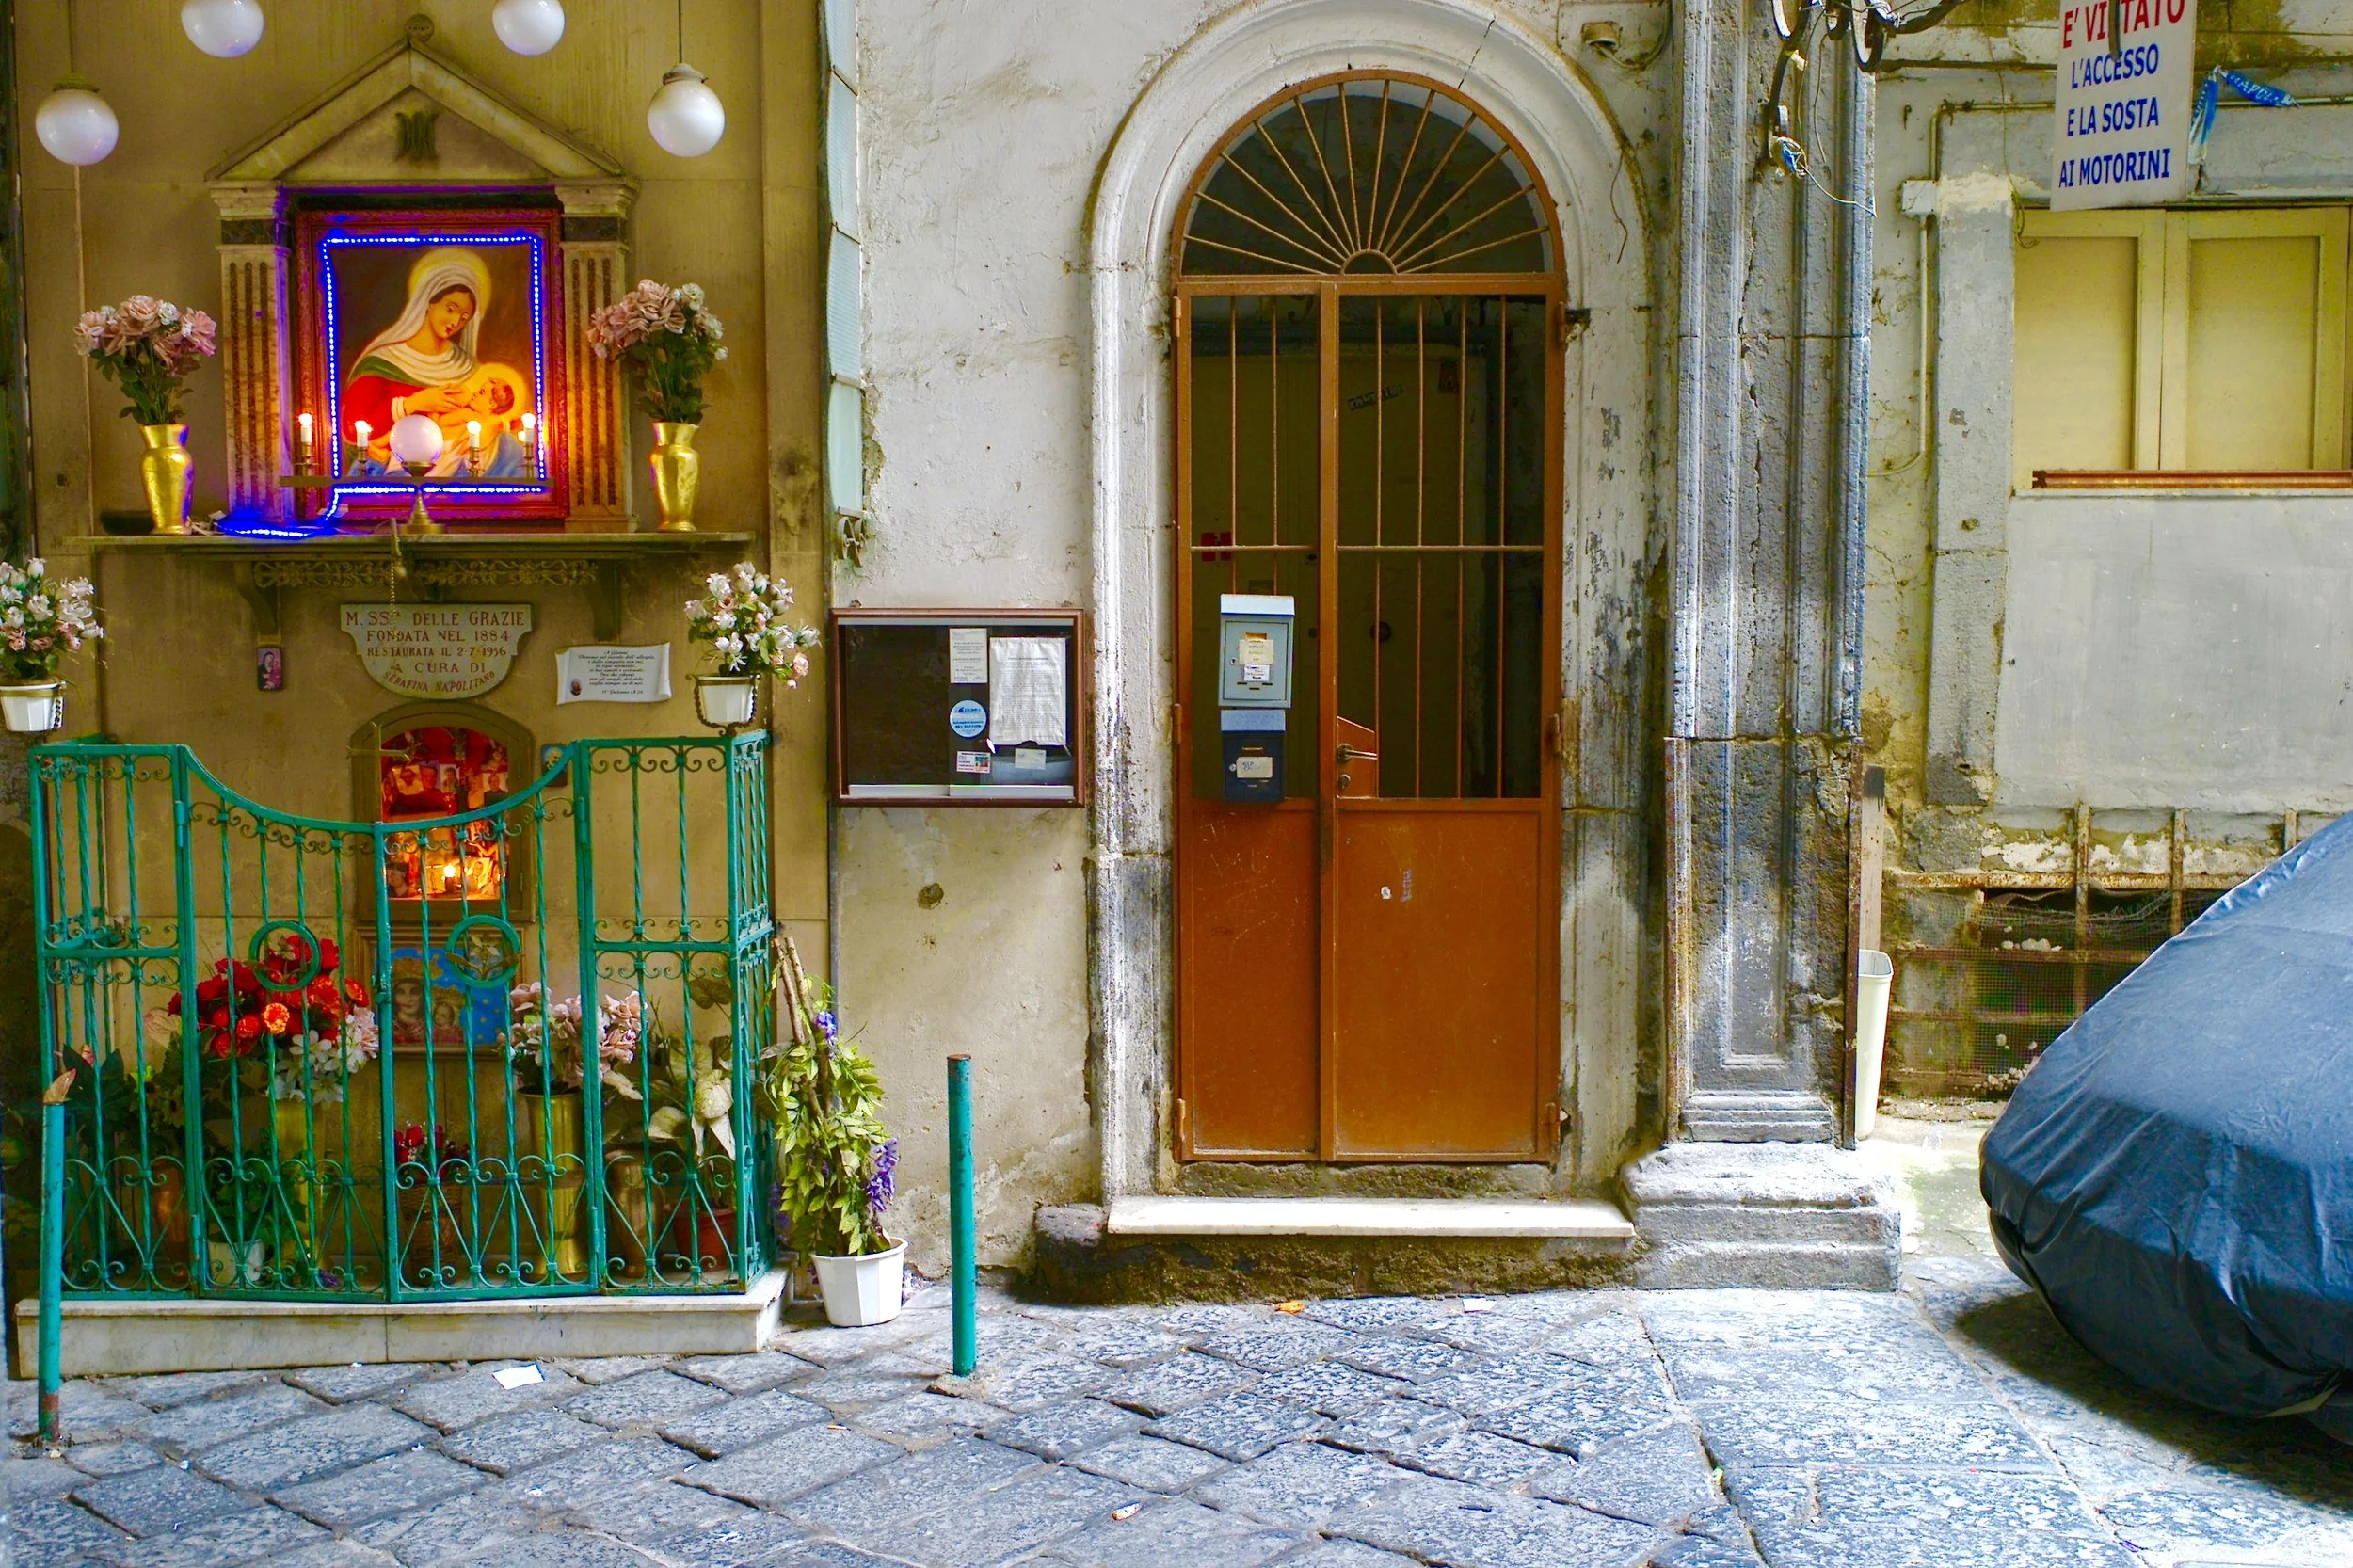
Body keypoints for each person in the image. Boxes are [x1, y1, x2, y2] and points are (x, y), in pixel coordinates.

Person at [342, 248, 533, 477]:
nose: (455, 322)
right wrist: (413, 403)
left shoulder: (468, 366)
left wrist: (496, 425)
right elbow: (354, 430)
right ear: (428, 300)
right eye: (450, 309)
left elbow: (503, 414)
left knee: (511, 452)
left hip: (459, 463)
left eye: (464, 318)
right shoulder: (383, 362)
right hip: (400, 462)